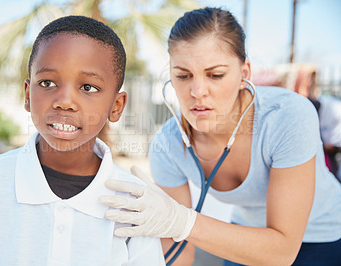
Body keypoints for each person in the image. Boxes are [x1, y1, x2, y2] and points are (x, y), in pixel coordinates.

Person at [100, 7, 341, 266]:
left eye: (215, 75)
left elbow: (281, 252)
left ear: (244, 74)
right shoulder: (168, 145)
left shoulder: (287, 116)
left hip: (321, 238)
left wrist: (181, 220)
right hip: (243, 235)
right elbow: (180, 253)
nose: (198, 91)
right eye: (183, 75)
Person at [0, 16, 165, 265]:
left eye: (88, 87)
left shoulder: (135, 204)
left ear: (117, 105)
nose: (65, 101)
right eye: (47, 83)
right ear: (28, 95)